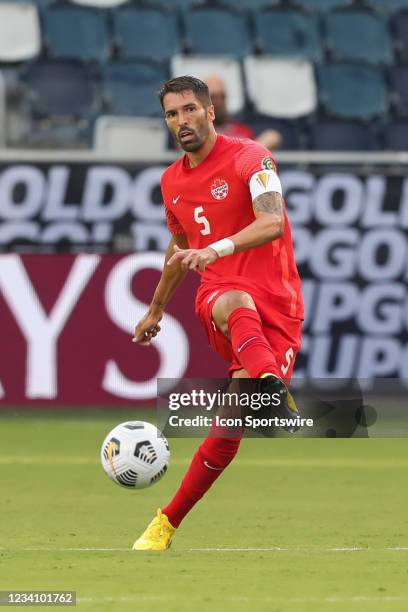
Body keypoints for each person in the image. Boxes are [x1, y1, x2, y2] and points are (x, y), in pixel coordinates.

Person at [132, 76, 303, 551]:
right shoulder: (171, 182)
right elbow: (180, 247)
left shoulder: (252, 158)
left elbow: (272, 222)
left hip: (280, 306)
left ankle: (165, 523)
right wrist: (156, 307)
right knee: (233, 299)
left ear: (210, 112)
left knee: (228, 429)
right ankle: (273, 385)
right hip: (223, 296)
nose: (181, 121)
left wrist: (216, 247)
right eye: (171, 114)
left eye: (189, 110)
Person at [204, 74, 282, 151]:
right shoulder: (199, 132)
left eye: (222, 97)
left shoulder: (241, 130)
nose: (218, 102)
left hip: (243, 159)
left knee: (272, 136)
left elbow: (273, 138)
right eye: (213, 97)